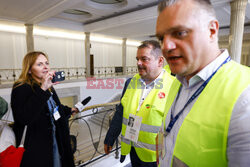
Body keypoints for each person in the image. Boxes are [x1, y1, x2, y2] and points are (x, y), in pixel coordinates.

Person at [156, 0, 250, 166]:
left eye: (179, 33)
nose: (166, 46)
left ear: (212, 31)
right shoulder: (177, 82)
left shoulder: (245, 96)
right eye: (161, 38)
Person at [104, 40, 175, 167]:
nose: (138, 63)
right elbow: (121, 112)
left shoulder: (174, 86)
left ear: (160, 61)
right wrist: (110, 137)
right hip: (133, 150)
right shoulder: (131, 82)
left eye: (144, 59)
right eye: (137, 59)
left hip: (157, 157)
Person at [11, 51, 78, 167]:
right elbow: (24, 117)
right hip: (38, 146)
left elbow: (53, 106)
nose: (46, 67)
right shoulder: (21, 88)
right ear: (30, 69)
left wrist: (68, 110)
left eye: (47, 63)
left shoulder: (47, 85)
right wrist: (43, 89)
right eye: (40, 64)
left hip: (56, 139)